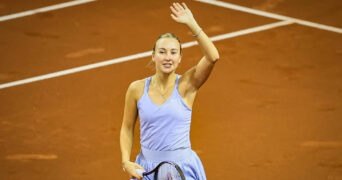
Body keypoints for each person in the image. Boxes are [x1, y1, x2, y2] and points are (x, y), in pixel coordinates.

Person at [120, 2, 219, 180]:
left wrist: (192, 23)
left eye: (173, 52)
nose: (167, 57)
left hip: (184, 169)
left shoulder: (188, 85)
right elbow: (127, 128)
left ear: (180, 58)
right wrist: (126, 162)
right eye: (162, 52)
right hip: (146, 169)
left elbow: (212, 57)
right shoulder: (136, 89)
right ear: (153, 56)